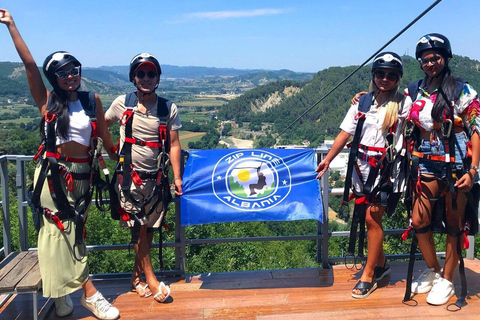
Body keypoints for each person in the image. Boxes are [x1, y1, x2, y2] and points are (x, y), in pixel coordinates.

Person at [0, 9, 120, 319]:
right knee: (58, 233)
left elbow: (106, 140)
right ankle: (90, 294)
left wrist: (124, 164)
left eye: (74, 69)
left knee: (72, 234)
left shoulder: (92, 100)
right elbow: (29, 66)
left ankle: (60, 293)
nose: (71, 75)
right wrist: (12, 25)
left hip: (83, 176)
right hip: (54, 175)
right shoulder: (47, 100)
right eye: (63, 72)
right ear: (54, 78)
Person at [316, 52, 405, 299]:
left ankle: (368, 274)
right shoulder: (362, 103)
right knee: (369, 219)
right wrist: (327, 160)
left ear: (398, 78)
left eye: (390, 75)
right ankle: (382, 265)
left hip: (385, 170)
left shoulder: (404, 104)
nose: (384, 79)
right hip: (360, 170)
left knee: (372, 219)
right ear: (373, 76)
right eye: (380, 74)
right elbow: (345, 134)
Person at [401, 33, 480, 306]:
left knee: (454, 221)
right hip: (425, 160)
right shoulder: (415, 89)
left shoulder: (461, 89)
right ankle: (433, 269)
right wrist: (364, 96)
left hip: (457, 161)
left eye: (435, 57)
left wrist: (473, 170)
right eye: (425, 59)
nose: (430, 62)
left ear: (445, 58)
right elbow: (396, 110)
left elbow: (476, 128)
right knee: (419, 219)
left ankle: (447, 277)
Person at [105, 53, 183, 303]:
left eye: (151, 74)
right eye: (141, 73)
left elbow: (173, 145)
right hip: (128, 180)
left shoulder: (167, 108)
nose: (146, 78)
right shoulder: (122, 104)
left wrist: (177, 178)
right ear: (133, 77)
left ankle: (135, 280)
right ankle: (150, 278)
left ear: (158, 77)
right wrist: (106, 151)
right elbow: (100, 124)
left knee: (147, 231)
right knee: (139, 229)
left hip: (156, 181)